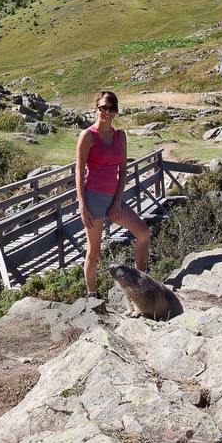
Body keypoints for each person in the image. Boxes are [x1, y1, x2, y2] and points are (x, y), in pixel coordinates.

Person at [74, 89, 150, 297]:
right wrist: (82, 206)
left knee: (144, 233)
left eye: (112, 108)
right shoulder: (88, 136)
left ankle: (139, 281)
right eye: (103, 108)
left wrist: (117, 202)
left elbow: (123, 170)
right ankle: (92, 294)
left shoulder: (120, 135)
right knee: (94, 251)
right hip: (93, 199)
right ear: (96, 108)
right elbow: (79, 173)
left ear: (116, 110)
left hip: (113, 198)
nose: (107, 112)